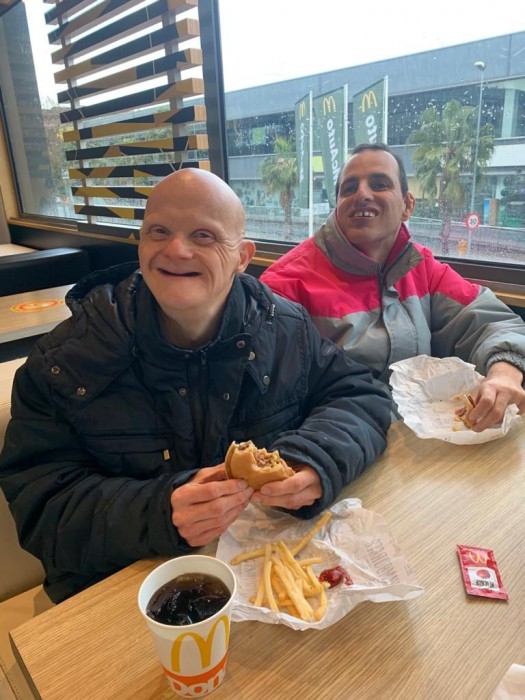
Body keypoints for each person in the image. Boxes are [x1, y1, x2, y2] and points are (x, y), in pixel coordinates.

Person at [0, 169, 391, 603]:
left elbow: (361, 396)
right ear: (140, 243)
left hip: (260, 579)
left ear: (242, 257)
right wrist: (157, 512)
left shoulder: (285, 329)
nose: (176, 250)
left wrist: (317, 460)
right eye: (159, 231)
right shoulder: (64, 361)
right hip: (124, 594)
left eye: (204, 235)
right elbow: (40, 508)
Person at [261, 143, 525, 432]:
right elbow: (271, 406)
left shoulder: (422, 267)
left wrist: (504, 373)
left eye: (379, 184)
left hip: (420, 440)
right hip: (336, 444)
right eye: (349, 188)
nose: (362, 194)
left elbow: (490, 322)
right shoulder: (283, 287)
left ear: (407, 205)